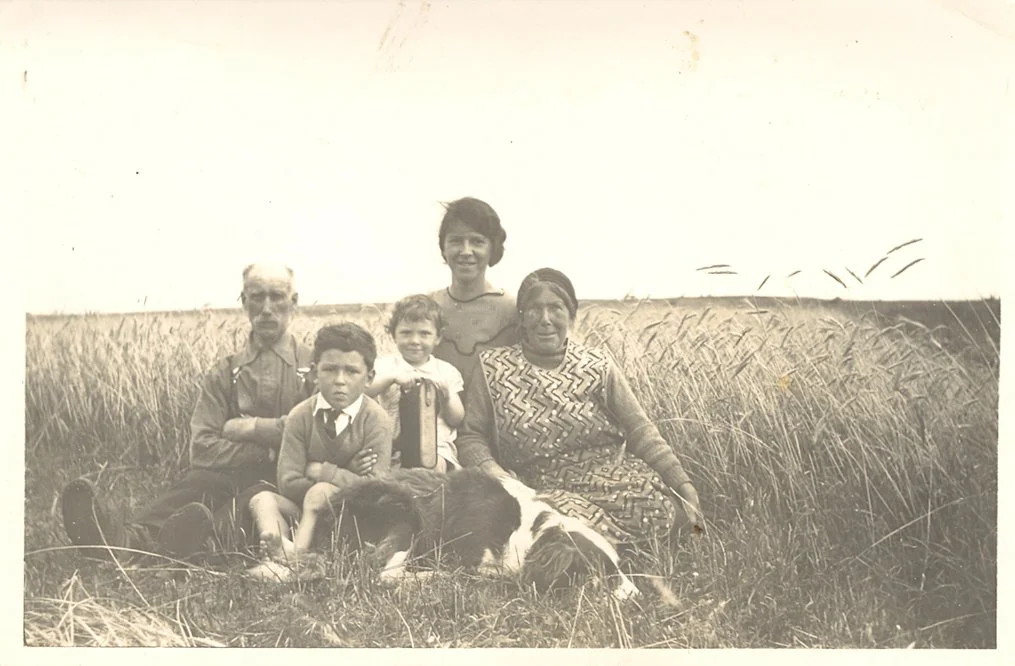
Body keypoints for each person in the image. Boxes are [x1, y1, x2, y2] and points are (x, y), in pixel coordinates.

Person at [61, 263, 313, 560]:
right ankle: (124, 541)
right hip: (225, 476)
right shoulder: (225, 372)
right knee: (195, 483)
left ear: (293, 302)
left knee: (247, 504)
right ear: (244, 302)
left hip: (283, 484)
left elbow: (313, 436)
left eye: (277, 296)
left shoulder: (315, 368)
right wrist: (267, 450)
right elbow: (203, 449)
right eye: (257, 297)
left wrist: (248, 428)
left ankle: (180, 548)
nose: (267, 308)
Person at [456, 268, 705, 547]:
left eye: (556, 308)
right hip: (542, 487)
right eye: (534, 309)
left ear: (571, 314)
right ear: (522, 318)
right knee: (562, 529)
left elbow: (639, 429)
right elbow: (470, 436)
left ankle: (620, 551)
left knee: (669, 515)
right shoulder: (493, 367)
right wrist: (496, 475)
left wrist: (681, 482)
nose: (545, 319)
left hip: (616, 478)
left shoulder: (596, 364)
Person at [246, 323, 393, 567]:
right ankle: (276, 548)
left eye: (351, 371)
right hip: (302, 510)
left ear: (369, 377)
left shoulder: (377, 421)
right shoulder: (300, 416)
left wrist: (325, 473)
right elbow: (288, 483)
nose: (340, 381)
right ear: (314, 372)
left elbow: (374, 490)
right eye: (330, 370)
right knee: (262, 499)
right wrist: (348, 475)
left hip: (351, 518)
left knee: (320, 491)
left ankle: (294, 559)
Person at [429, 197, 521, 393]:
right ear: (443, 248)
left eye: (477, 241)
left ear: (492, 248)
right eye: (455, 241)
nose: (466, 251)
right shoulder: (427, 308)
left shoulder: (512, 311)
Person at [367, 294, 466, 472]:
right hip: (392, 447)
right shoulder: (386, 366)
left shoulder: (445, 371)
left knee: (433, 467)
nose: (414, 341)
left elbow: (456, 419)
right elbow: (364, 393)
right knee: (381, 474)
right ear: (393, 335)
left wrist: (447, 395)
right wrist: (390, 379)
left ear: (438, 337)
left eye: (424, 334)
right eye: (406, 333)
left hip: (435, 446)